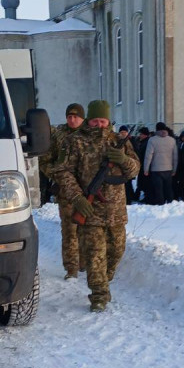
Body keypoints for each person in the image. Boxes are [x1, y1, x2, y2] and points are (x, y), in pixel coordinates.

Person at [53, 99, 140, 312]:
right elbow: (63, 172)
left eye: (103, 121)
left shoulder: (118, 141)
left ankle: (104, 278)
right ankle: (99, 295)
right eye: (95, 121)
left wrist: (123, 160)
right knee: (94, 255)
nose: (99, 125)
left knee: (117, 250)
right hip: (89, 210)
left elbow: (134, 170)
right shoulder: (75, 142)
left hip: (115, 210)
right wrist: (77, 198)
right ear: (88, 121)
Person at [39, 102, 86, 279]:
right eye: (69, 117)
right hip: (65, 192)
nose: (72, 120)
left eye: (76, 117)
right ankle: (71, 268)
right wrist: (57, 173)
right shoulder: (59, 135)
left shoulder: (90, 134)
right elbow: (45, 161)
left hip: (88, 191)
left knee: (87, 229)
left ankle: (85, 263)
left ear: (83, 118)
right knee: (69, 230)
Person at [143, 122, 178, 205]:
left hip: (156, 169)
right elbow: (175, 156)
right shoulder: (172, 140)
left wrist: (146, 169)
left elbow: (148, 156)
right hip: (169, 169)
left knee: (158, 189)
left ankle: (160, 205)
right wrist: (174, 169)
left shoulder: (152, 140)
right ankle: (170, 204)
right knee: (168, 188)